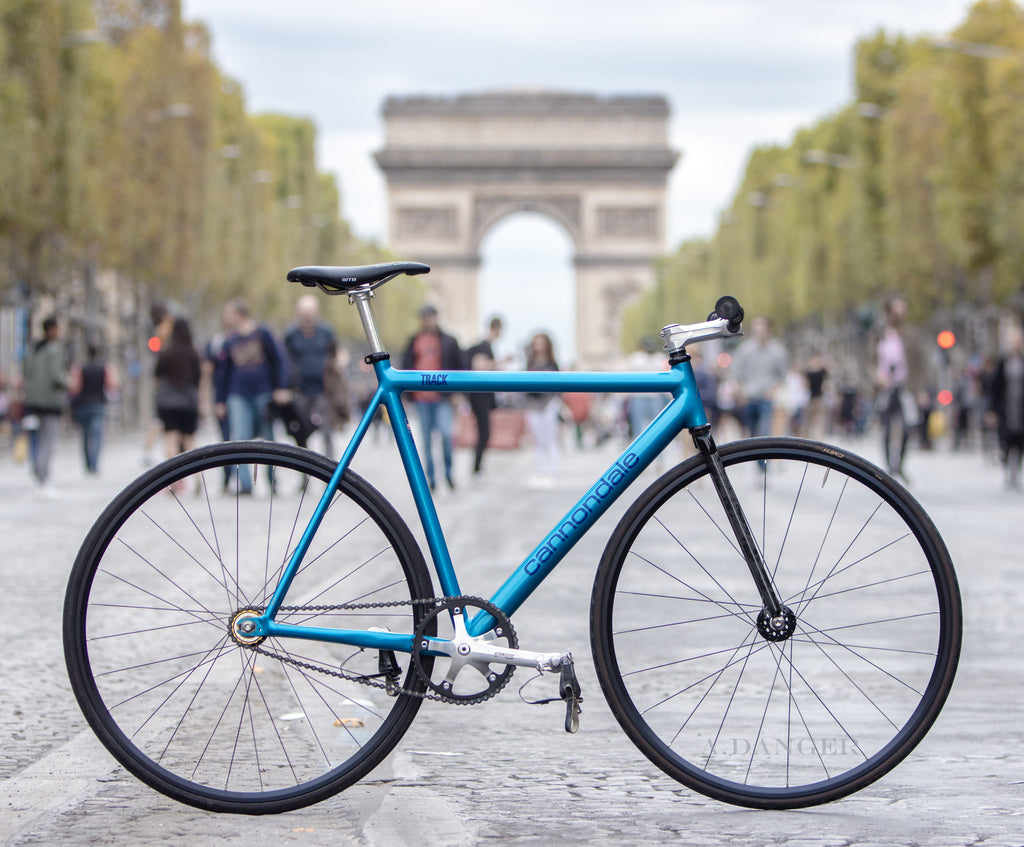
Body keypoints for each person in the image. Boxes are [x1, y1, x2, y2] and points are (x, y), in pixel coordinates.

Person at [214, 299, 291, 493]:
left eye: (228, 313)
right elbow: (222, 373)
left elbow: (279, 360)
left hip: (264, 393)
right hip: (238, 395)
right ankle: (246, 484)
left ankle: (272, 481)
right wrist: (220, 400)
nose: (225, 317)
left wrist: (281, 387)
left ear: (238, 314)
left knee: (269, 438)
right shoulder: (229, 340)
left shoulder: (262, 333)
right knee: (240, 439)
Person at [401, 305, 462, 492]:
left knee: (445, 435)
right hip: (421, 398)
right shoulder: (413, 341)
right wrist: (405, 394)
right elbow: (406, 366)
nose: (426, 321)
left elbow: (459, 367)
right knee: (426, 440)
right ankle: (432, 478)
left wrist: (458, 393)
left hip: (443, 397)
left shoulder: (449, 341)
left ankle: (449, 473)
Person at [874, 297, 925, 480]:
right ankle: (888, 467)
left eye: (903, 309)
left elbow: (920, 363)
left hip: (905, 387)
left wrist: (920, 389)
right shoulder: (879, 334)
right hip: (885, 388)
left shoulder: (912, 334)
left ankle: (900, 464)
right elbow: (868, 360)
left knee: (906, 427)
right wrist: (876, 377)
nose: (900, 313)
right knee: (886, 428)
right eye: (896, 309)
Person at [284, 295, 342, 455]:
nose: (307, 317)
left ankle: (330, 473)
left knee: (327, 433)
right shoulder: (291, 335)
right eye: (304, 313)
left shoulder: (326, 332)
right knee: (301, 434)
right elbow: (285, 360)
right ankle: (304, 474)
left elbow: (335, 354)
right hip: (300, 391)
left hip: (323, 390)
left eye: (310, 312)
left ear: (317, 313)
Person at [22, 316, 66, 490]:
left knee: (36, 436)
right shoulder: (55, 349)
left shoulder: (33, 348)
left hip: (32, 399)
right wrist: (68, 383)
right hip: (50, 400)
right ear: (52, 330)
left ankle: (36, 466)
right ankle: (43, 471)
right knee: (49, 437)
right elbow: (56, 375)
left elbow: (26, 371)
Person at [732, 316, 788, 441]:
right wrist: (741, 392)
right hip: (749, 396)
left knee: (765, 429)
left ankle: (764, 459)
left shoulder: (778, 351)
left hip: (767, 397)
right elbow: (738, 374)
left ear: (769, 330)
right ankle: (758, 457)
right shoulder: (745, 350)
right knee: (751, 430)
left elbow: (782, 376)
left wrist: (773, 391)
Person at [155, 317, 202, 461]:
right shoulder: (193, 353)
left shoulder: (167, 352)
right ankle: (198, 477)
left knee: (171, 438)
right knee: (189, 440)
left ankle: (173, 480)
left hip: (168, 402)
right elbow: (198, 378)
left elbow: (157, 376)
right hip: (188, 402)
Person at [464, 316, 504, 478]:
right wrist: (500, 362)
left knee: (484, 432)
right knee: (484, 432)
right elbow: (479, 366)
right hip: (480, 396)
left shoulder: (484, 345)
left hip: (481, 396)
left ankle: (478, 468)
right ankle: (477, 469)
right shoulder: (484, 345)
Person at [69, 343, 118, 474]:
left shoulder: (80, 368)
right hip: (98, 404)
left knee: (85, 436)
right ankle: (94, 464)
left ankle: (88, 464)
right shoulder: (105, 367)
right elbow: (112, 385)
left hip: (83, 404)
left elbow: (75, 388)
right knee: (97, 435)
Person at [988, 326, 1024, 490]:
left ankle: (1016, 473)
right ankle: (1008, 472)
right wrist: (992, 410)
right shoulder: (1003, 362)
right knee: (1006, 441)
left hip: (1020, 408)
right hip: (1006, 407)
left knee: (1020, 442)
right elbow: (995, 387)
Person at [524, 332, 560, 488]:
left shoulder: (553, 364)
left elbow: (558, 385)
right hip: (533, 405)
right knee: (538, 440)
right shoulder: (529, 362)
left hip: (548, 404)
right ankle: (540, 470)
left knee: (549, 438)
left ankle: (551, 471)